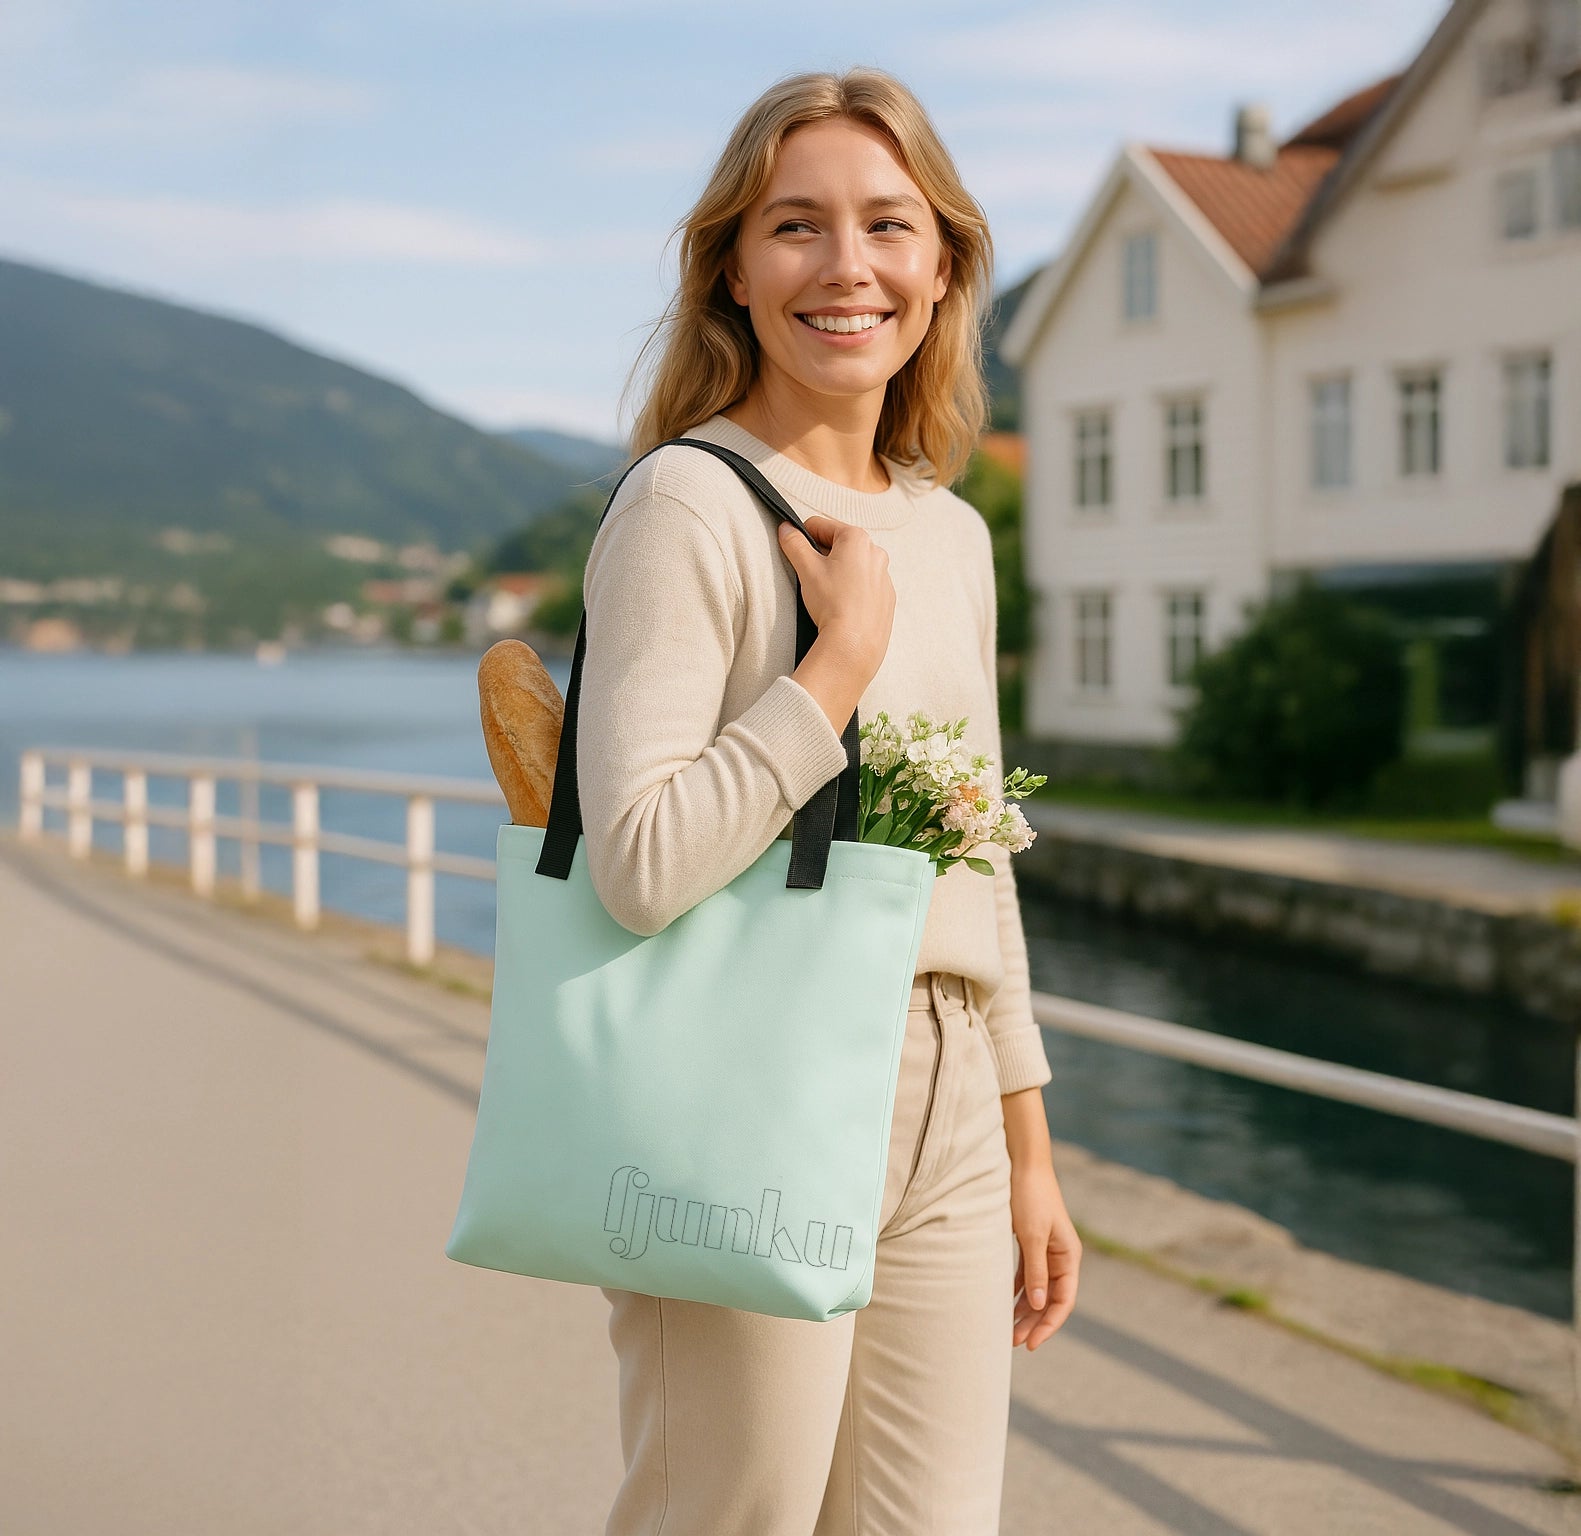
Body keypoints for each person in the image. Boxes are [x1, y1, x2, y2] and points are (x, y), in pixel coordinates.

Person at [575, 64, 1083, 1535]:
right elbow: (641, 865)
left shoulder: (948, 531)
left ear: (942, 264)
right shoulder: (686, 504)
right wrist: (836, 664)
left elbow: (979, 862)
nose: (845, 267)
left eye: (886, 225)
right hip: (743, 1078)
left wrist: (1027, 1150)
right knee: (727, 1515)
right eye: (795, 226)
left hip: (946, 1103)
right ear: (731, 266)